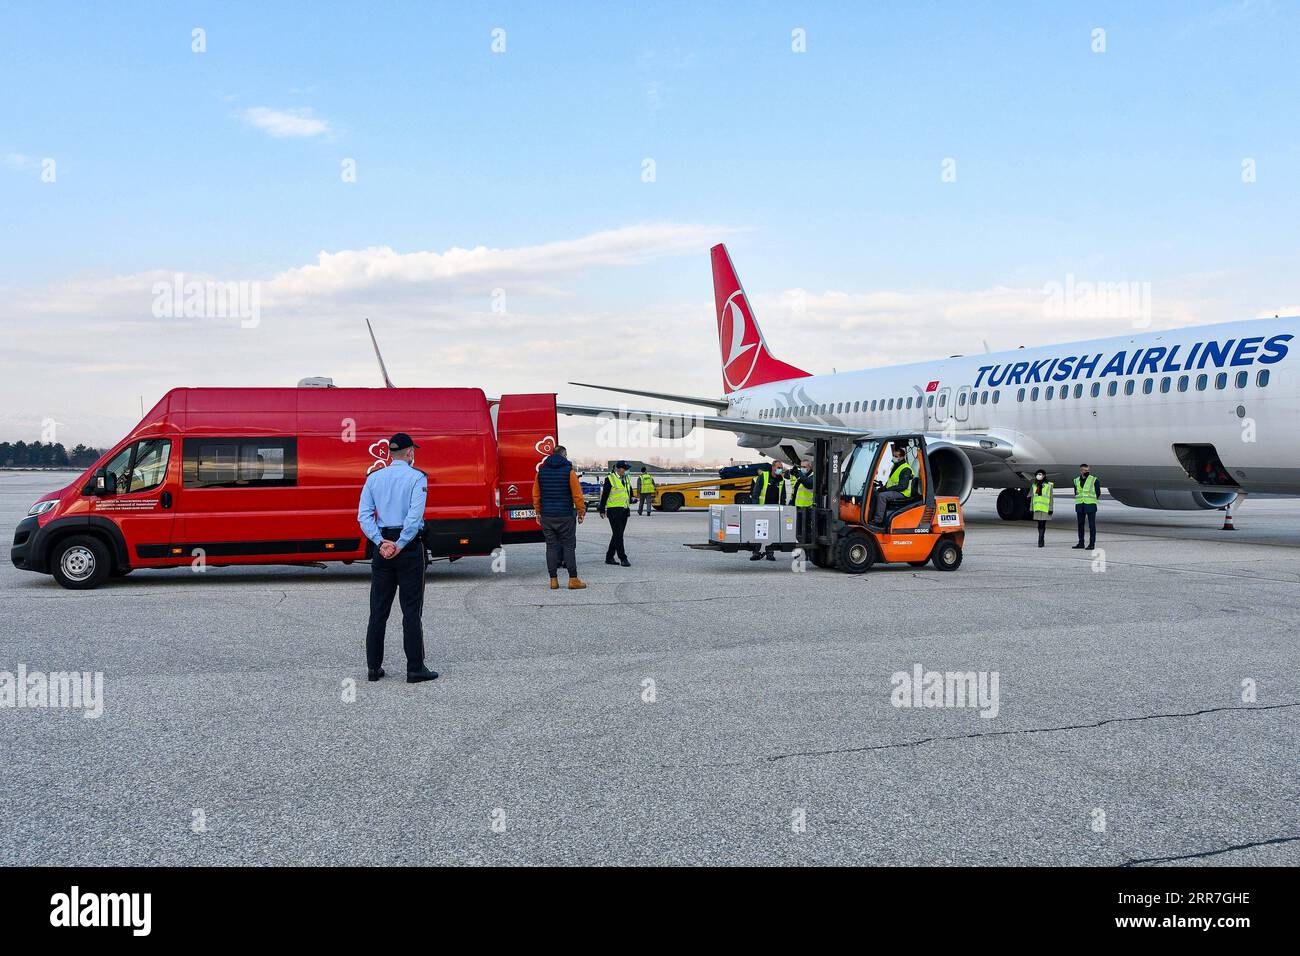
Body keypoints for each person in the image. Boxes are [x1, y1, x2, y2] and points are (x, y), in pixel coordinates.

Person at [357, 432, 439, 684]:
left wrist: (381, 543)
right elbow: (414, 518)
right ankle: (415, 668)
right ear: (409, 452)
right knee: (411, 610)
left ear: (390, 453)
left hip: (382, 545)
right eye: (413, 450)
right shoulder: (417, 478)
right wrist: (401, 544)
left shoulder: (374, 478)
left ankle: (373, 668)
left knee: (378, 611)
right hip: (408, 547)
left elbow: (364, 516)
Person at [532, 444, 586, 590]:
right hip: (565, 516)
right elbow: (577, 495)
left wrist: (538, 512)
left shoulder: (541, 472)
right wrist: (581, 512)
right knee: (568, 547)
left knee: (550, 547)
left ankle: (553, 580)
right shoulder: (569, 471)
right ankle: (573, 580)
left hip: (547, 516)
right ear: (563, 455)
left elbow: (536, 494)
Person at [749, 460, 789, 561]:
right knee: (758, 531)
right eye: (778, 467)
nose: (779, 469)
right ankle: (756, 552)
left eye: (781, 468)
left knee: (772, 532)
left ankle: (769, 553)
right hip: (762, 509)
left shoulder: (782, 480)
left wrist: (782, 509)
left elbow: (783, 496)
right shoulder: (764, 476)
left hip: (775, 511)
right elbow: (756, 492)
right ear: (773, 467)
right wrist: (755, 507)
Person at [871, 444, 914, 526]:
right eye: (894, 455)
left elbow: (903, 486)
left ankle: (878, 521)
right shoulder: (896, 466)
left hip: (903, 493)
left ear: (902, 457)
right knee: (875, 493)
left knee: (882, 496)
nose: (894, 457)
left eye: (896, 456)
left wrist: (888, 489)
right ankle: (871, 515)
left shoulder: (906, 469)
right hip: (896, 491)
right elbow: (892, 481)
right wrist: (883, 487)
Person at [599, 460, 632, 567]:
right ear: (618, 468)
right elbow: (604, 495)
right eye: (625, 469)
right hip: (614, 510)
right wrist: (602, 509)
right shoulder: (610, 479)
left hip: (624, 510)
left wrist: (632, 499)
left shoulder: (626, 479)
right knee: (618, 535)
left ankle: (609, 557)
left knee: (617, 534)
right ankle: (623, 558)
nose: (627, 471)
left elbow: (627, 492)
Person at [1072, 463, 1100, 550]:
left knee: (1091, 525)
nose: (1087, 471)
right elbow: (1076, 492)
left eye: (1088, 470)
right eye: (1085, 470)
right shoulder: (1076, 480)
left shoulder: (1094, 480)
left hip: (1090, 505)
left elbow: (1098, 493)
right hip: (1080, 505)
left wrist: (1091, 500)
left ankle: (1092, 544)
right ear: (1081, 471)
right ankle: (1081, 543)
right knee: (1080, 525)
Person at [791, 459, 815, 541]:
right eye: (801, 467)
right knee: (798, 532)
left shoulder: (812, 476)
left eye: (804, 467)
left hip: (807, 509)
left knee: (806, 533)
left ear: (809, 467)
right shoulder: (800, 476)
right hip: (798, 508)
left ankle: (806, 549)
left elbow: (808, 483)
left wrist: (799, 474)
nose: (802, 468)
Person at [1029, 470, 1053, 548]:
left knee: (1043, 524)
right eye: (1037, 474)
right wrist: (1031, 508)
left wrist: (1051, 508)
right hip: (1037, 508)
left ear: (1044, 476)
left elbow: (1051, 498)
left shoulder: (1049, 485)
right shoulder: (1034, 485)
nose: (1039, 476)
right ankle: (1040, 538)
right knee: (1039, 524)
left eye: (1040, 474)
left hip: (1045, 508)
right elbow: (1032, 498)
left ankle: (1041, 539)